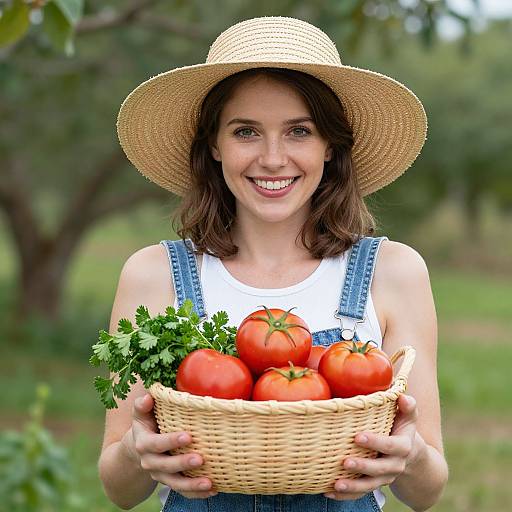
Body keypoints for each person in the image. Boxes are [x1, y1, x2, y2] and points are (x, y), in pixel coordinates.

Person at [99, 16, 448, 512]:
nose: (272, 157)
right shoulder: (152, 275)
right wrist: (136, 453)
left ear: (330, 145)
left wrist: (411, 457)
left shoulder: (393, 272)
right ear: (214, 146)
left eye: (298, 131)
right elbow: (118, 490)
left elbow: (428, 491)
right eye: (246, 132)